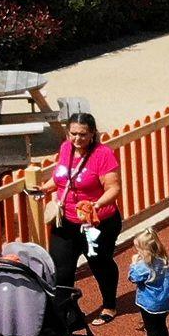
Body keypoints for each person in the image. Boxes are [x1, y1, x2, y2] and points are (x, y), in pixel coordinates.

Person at [38, 114, 123, 316]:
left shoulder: (103, 154)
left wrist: (96, 204)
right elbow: (63, 177)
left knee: (100, 265)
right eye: (73, 134)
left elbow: (114, 189)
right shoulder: (66, 148)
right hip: (66, 222)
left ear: (93, 134)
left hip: (96, 223)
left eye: (83, 135)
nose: (77, 139)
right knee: (61, 269)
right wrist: (45, 188)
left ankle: (109, 305)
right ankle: (67, 315)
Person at [127, 229, 169, 336]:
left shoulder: (143, 267)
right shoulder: (168, 261)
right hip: (165, 303)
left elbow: (133, 278)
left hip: (149, 304)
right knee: (162, 326)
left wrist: (134, 264)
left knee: (151, 329)